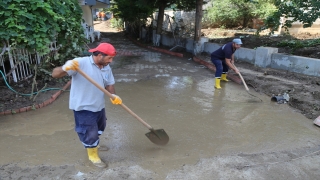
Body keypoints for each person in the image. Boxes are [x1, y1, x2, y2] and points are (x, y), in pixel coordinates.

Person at [51, 43, 122, 168]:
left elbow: (109, 83)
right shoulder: (80, 63)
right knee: (89, 132)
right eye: (109, 58)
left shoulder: (106, 67)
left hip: (98, 105)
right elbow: (55, 74)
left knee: (100, 126)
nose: (111, 61)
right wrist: (65, 68)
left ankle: (94, 144)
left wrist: (113, 96)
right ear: (100, 55)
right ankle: (93, 155)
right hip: (83, 107)